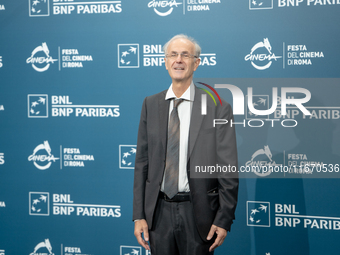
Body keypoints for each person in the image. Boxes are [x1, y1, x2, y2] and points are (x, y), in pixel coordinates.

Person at [133, 34, 238, 255]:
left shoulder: (217, 107)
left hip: (199, 215)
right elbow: (142, 163)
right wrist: (139, 215)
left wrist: (224, 218)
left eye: (185, 55)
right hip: (158, 215)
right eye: (173, 55)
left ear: (196, 63)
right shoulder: (150, 104)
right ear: (165, 62)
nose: (178, 60)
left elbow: (227, 167)